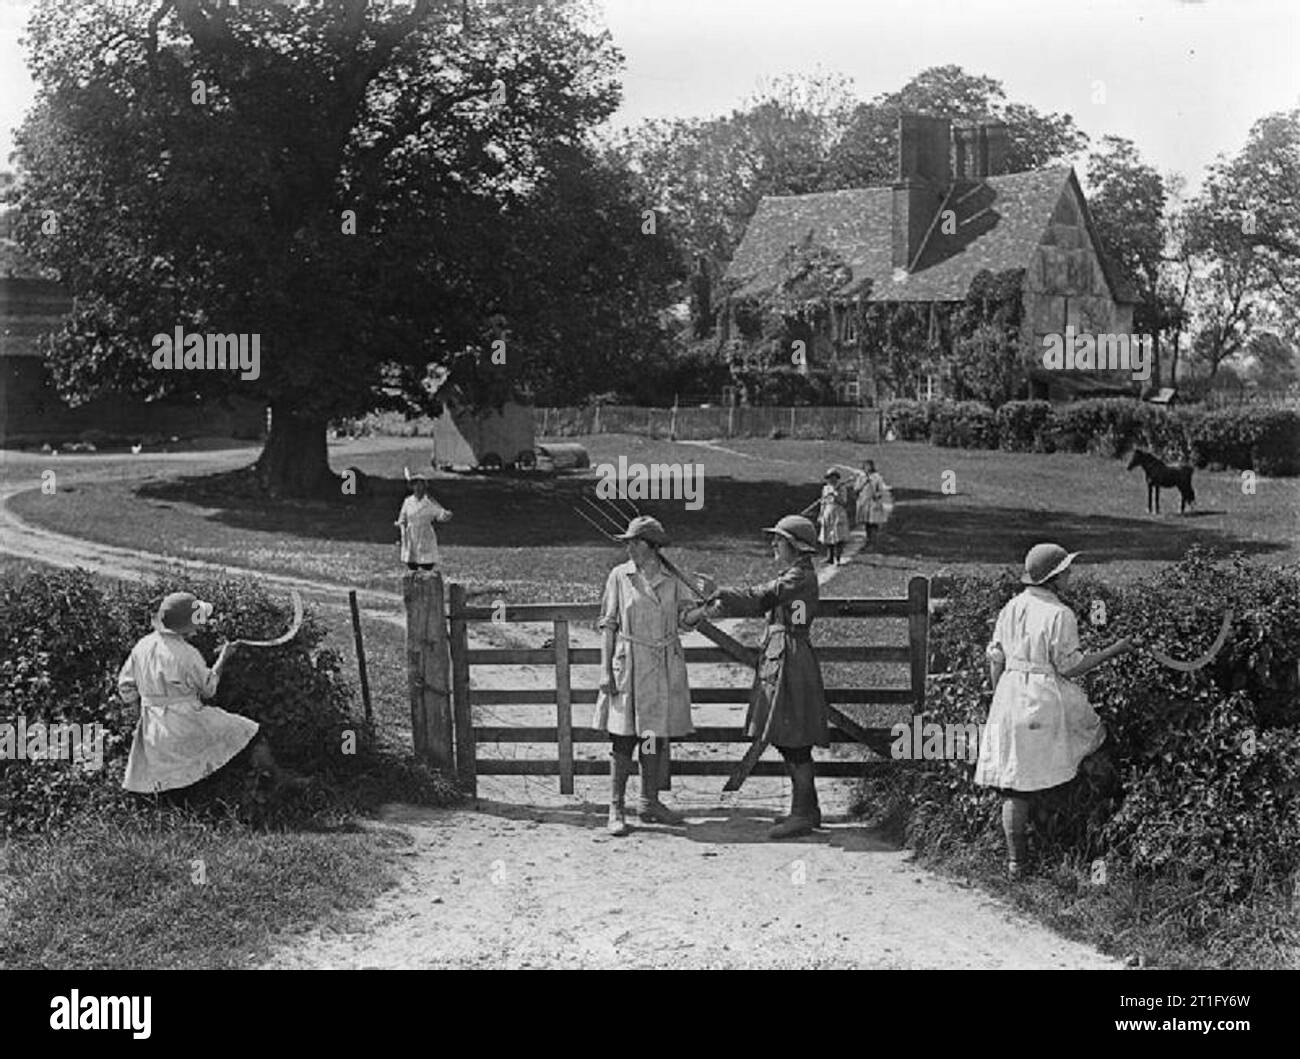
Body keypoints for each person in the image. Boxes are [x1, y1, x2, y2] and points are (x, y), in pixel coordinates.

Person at [974, 544, 1135, 879]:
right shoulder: (1060, 614)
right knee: (1093, 739)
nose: (1070, 575)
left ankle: (1017, 863)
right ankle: (1084, 837)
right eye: (1065, 571)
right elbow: (1072, 667)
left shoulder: (1012, 607)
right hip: (1043, 697)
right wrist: (1115, 650)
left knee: (1015, 785)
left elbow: (996, 657)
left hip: (1009, 694)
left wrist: (999, 696)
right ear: (1053, 577)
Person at [685, 515, 829, 839]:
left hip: (790, 659)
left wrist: (720, 590)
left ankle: (804, 813)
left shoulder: (799, 576)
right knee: (788, 737)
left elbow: (761, 597)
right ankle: (808, 809)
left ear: (794, 546)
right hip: (783, 656)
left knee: (793, 740)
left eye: (778, 540)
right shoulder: (796, 574)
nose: (773, 545)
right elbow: (761, 599)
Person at [118, 591, 301, 794]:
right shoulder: (187, 653)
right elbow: (209, 690)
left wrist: (140, 716)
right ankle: (277, 780)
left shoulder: (142, 646)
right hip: (186, 721)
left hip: (153, 726)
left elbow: (126, 687)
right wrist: (224, 657)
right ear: (187, 624)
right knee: (251, 731)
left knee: (173, 774)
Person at [594, 516, 697, 836]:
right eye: (627, 542)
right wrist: (604, 670)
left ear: (651, 547)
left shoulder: (672, 578)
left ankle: (649, 801)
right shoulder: (619, 576)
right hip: (629, 662)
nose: (628, 548)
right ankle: (616, 807)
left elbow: (686, 620)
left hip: (662, 663)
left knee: (652, 735)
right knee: (622, 737)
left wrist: (705, 610)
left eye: (634, 542)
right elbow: (608, 624)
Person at [396, 476, 453, 571]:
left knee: (427, 564)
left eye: (421, 485)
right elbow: (402, 517)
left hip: (425, 535)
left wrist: (446, 515)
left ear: (424, 487)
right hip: (411, 535)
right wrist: (401, 525)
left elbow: (439, 515)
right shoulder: (408, 502)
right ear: (413, 487)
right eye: (416, 485)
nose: (418, 488)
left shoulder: (429, 503)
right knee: (412, 564)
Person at [806, 469, 850, 565]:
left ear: (836, 477)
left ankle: (838, 557)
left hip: (838, 512)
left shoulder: (842, 488)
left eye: (832, 477)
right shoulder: (826, 488)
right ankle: (829, 557)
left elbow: (843, 502)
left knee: (838, 536)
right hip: (827, 511)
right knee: (828, 535)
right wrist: (821, 515)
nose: (830, 480)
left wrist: (835, 495)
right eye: (828, 478)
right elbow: (823, 502)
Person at [853, 459, 890, 547]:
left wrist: (878, 494)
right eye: (866, 466)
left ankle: (874, 541)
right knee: (866, 523)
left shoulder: (877, 477)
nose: (867, 468)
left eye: (869, 466)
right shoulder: (861, 477)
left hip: (873, 503)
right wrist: (863, 482)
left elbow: (881, 490)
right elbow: (856, 489)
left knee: (873, 522)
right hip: (864, 502)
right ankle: (868, 540)